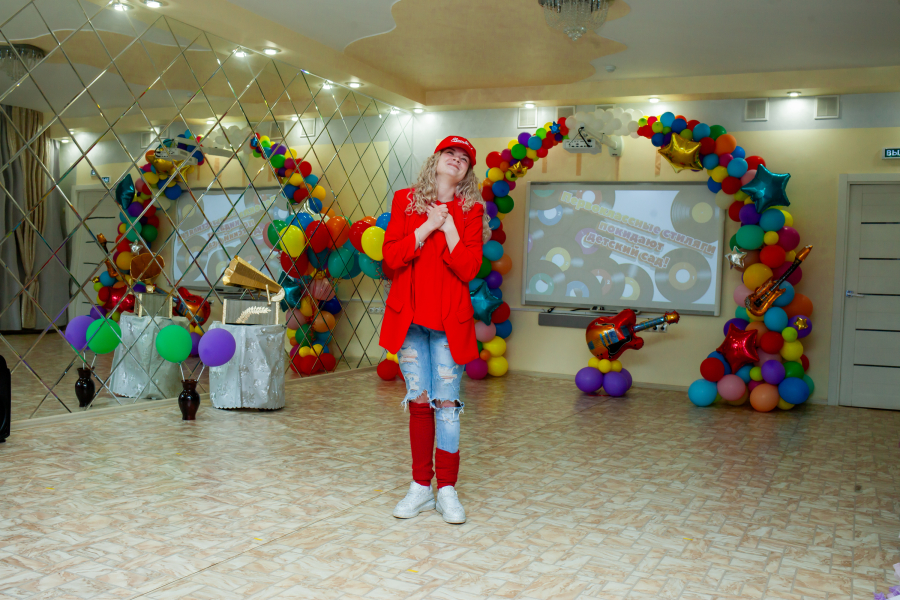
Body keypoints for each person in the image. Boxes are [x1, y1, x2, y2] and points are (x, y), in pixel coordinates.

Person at [380, 136, 490, 524]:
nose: (456, 160)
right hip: (409, 323)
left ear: (468, 171)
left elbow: (469, 269)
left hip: (448, 325)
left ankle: (447, 490)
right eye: (450, 154)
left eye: (464, 158)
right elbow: (391, 258)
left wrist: (451, 228)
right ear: (436, 159)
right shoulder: (405, 200)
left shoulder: (472, 210)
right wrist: (428, 225)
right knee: (419, 401)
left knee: (446, 406)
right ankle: (420, 488)